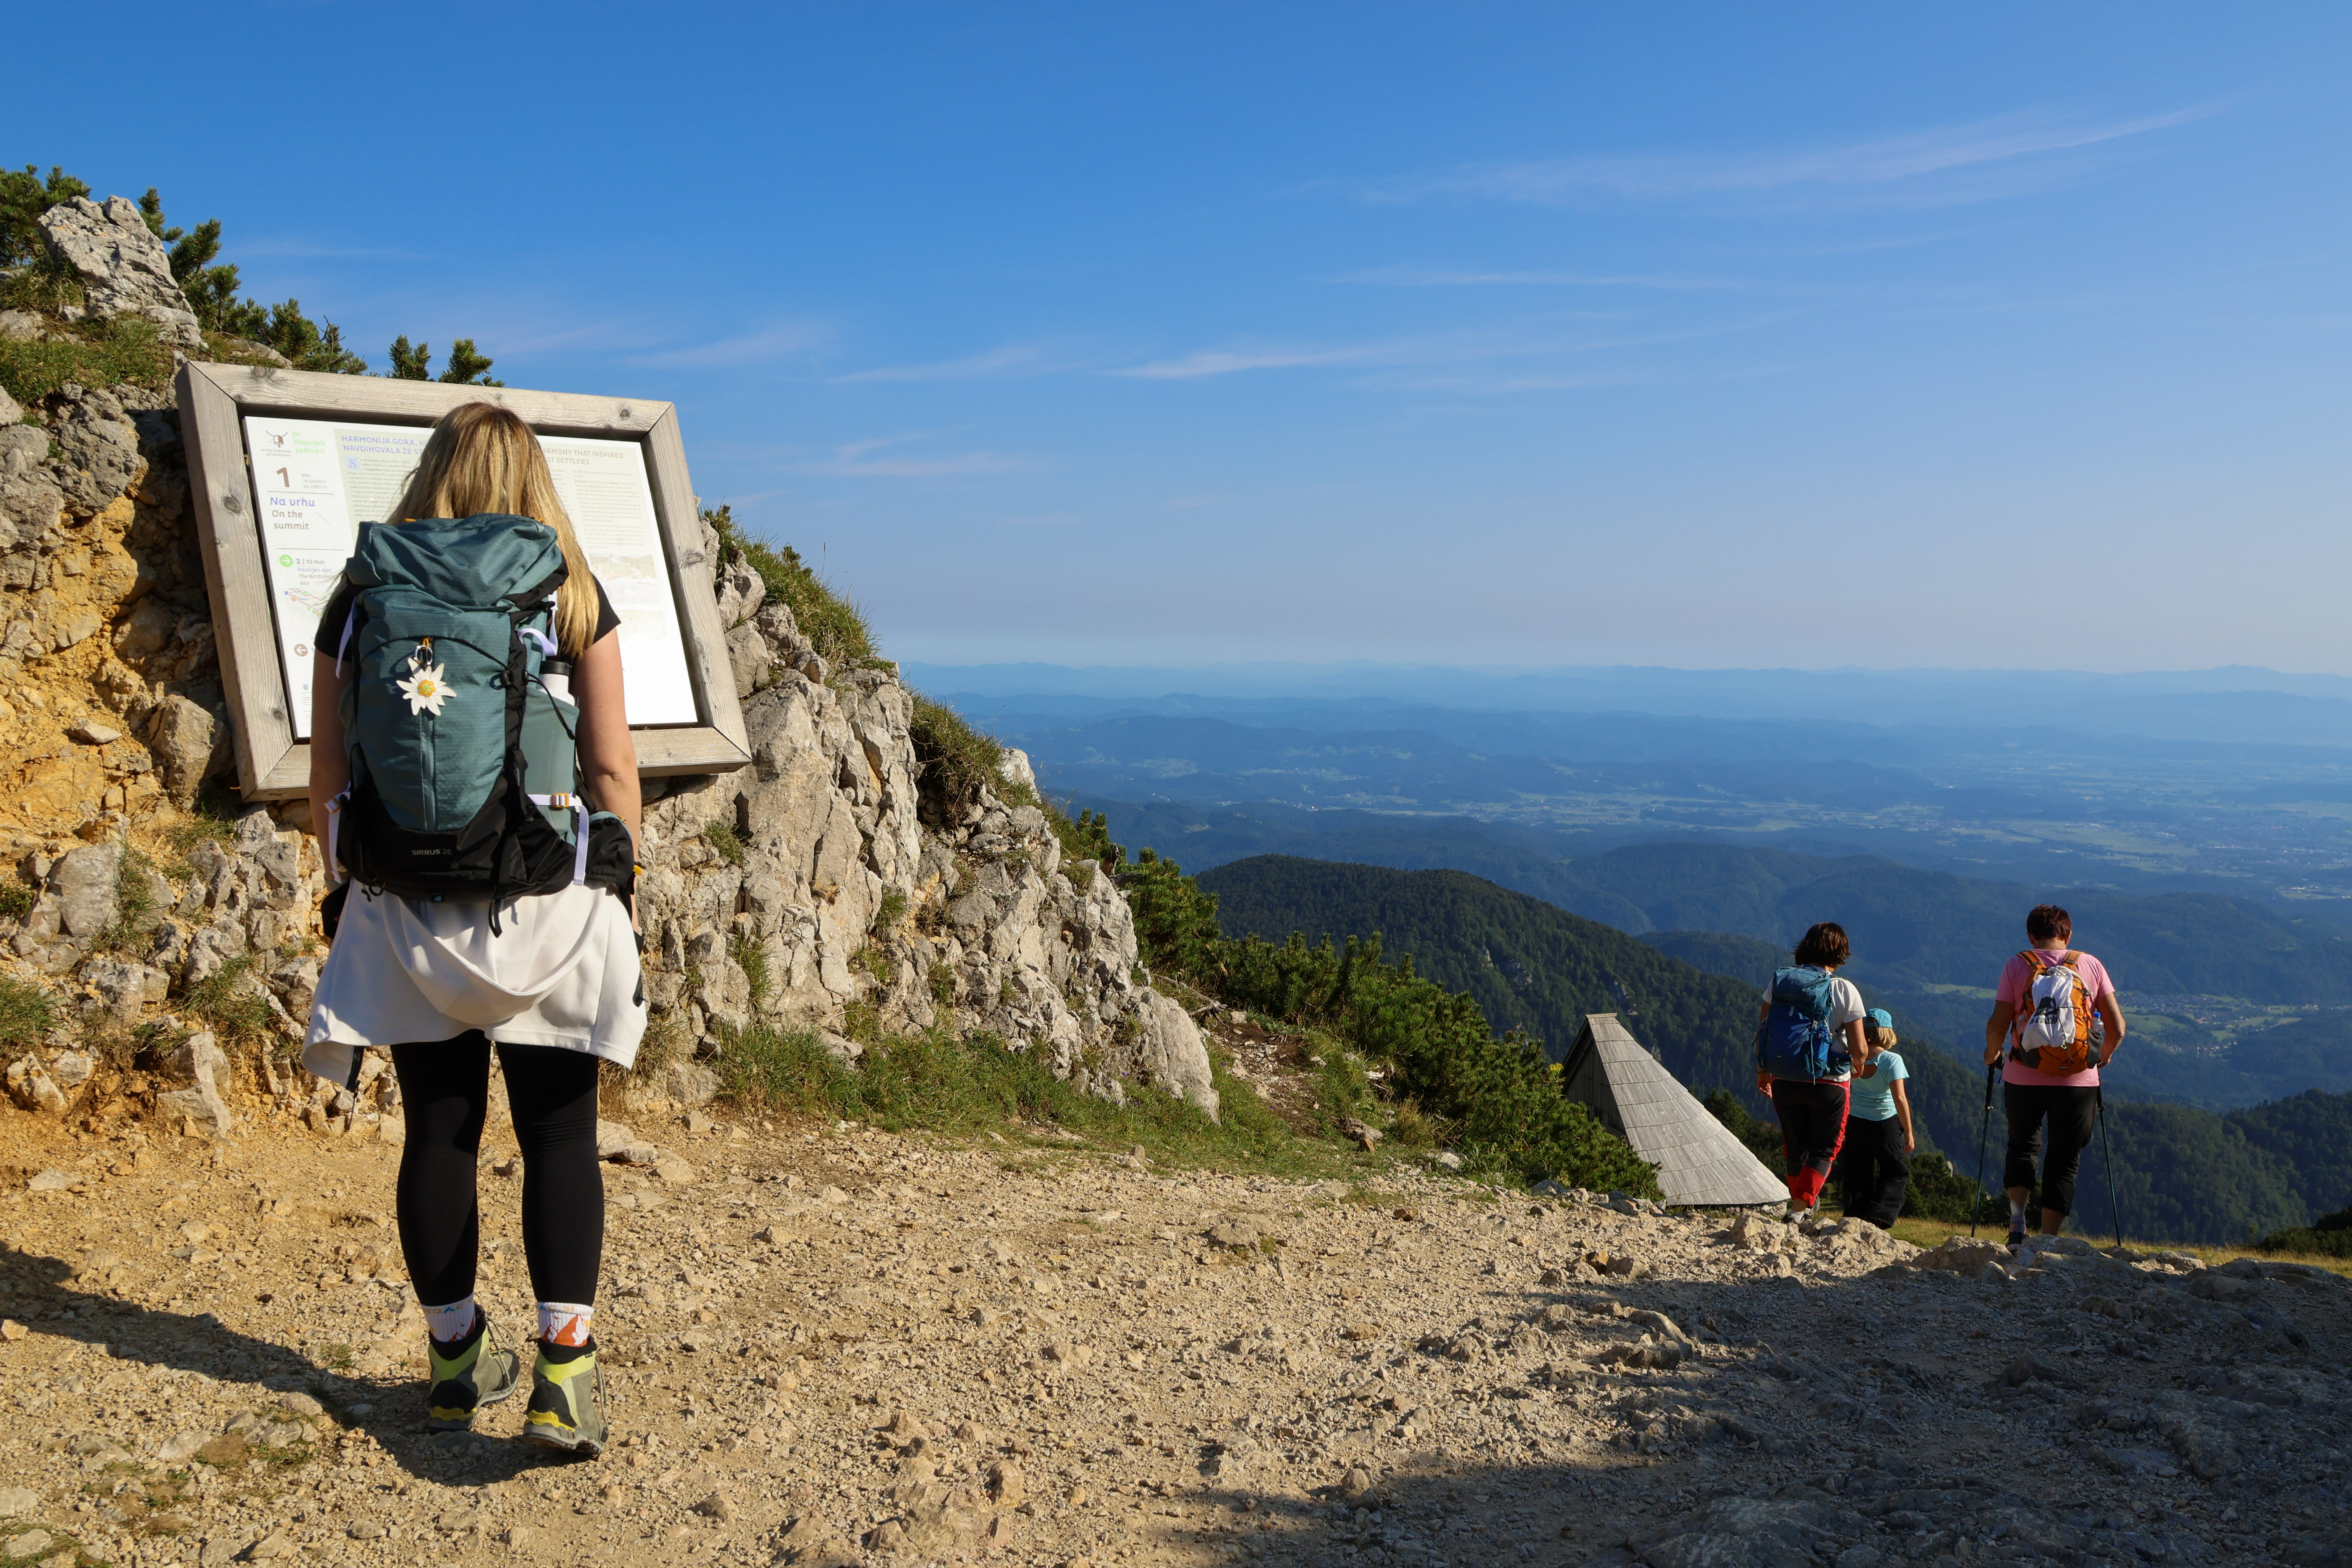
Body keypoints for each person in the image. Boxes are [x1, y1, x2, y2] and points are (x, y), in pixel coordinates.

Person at [300, 403, 646, 1455]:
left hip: (406, 910)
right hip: (545, 904)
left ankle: (455, 1364)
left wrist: (344, 887)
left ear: (431, 475)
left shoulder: (359, 600)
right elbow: (611, 770)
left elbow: (329, 775)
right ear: (535, 484)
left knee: (437, 1132)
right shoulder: (571, 593)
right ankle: (565, 1380)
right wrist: (618, 890)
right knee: (558, 1136)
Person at [1983, 903, 2125, 1246]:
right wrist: (2100, 1059)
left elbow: (1998, 1025)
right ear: (2068, 935)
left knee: (2021, 1148)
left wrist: (1993, 1056)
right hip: (2078, 1081)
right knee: (2064, 1160)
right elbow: (2117, 1027)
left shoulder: (2018, 965)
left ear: (2031, 936)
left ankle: (2017, 1224)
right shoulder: (2090, 965)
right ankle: (2048, 1241)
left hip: (2023, 1075)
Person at [1754, 921, 1873, 1221]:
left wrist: (1763, 1071)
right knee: (1825, 1149)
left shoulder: (1780, 982)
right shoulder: (1844, 989)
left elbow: (1765, 1030)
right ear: (1840, 953)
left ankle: (1802, 1204)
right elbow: (1860, 1049)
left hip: (1785, 1077)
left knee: (1795, 1147)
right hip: (1830, 1083)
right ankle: (1799, 1209)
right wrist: (1858, 1066)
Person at [1835, 1008, 1913, 1229]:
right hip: (1885, 1123)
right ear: (1886, 1032)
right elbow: (1900, 1098)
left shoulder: (1852, 1057)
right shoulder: (1891, 1060)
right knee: (1896, 1171)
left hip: (1854, 1121)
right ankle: (1878, 1218)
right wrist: (1908, 1131)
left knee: (1857, 1171)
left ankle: (1853, 1219)